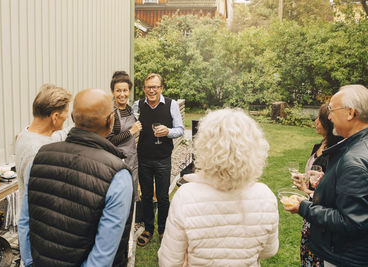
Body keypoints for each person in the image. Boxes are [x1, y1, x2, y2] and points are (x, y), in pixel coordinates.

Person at [18, 89, 134, 267]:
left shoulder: (40, 156)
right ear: (110, 122)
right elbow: (103, 254)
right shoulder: (119, 175)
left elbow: (25, 221)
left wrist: (28, 262)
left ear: (72, 117)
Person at [158, 108, 278, 266]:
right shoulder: (265, 196)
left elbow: (169, 262)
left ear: (204, 145)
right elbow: (269, 251)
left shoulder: (186, 196)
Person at [286, 84, 368, 267]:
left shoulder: (354, 159)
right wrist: (328, 184)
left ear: (350, 113)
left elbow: (352, 221)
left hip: (346, 256)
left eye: (331, 109)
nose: (329, 116)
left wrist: (303, 207)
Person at [133, 73, 184, 246]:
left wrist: (168, 132)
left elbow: (180, 129)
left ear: (161, 88)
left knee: (163, 197)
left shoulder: (172, 104)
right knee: (146, 196)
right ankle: (148, 229)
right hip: (144, 158)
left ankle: (163, 230)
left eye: (155, 87)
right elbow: (131, 124)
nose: (152, 90)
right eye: (148, 87)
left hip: (163, 159)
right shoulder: (138, 105)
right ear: (144, 89)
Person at [292, 104, 343, 267]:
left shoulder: (336, 153)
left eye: (319, 119)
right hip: (310, 211)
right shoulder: (318, 146)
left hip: (321, 213)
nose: (315, 122)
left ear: (328, 123)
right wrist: (304, 180)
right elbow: (313, 176)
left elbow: (332, 193)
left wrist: (306, 191)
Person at [15, 84, 72, 220]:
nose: (66, 119)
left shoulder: (26, 133)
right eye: (65, 116)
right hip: (36, 224)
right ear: (55, 117)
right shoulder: (37, 152)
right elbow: (38, 199)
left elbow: (56, 137)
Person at [107, 71, 142, 200]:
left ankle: (132, 220)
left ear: (130, 91)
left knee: (132, 194)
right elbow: (109, 141)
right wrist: (130, 132)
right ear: (112, 92)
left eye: (125, 90)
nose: (122, 94)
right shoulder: (112, 112)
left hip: (131, 159)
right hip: (117, 161)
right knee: (119, 197)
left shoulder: (129, 109)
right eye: (118, 91)